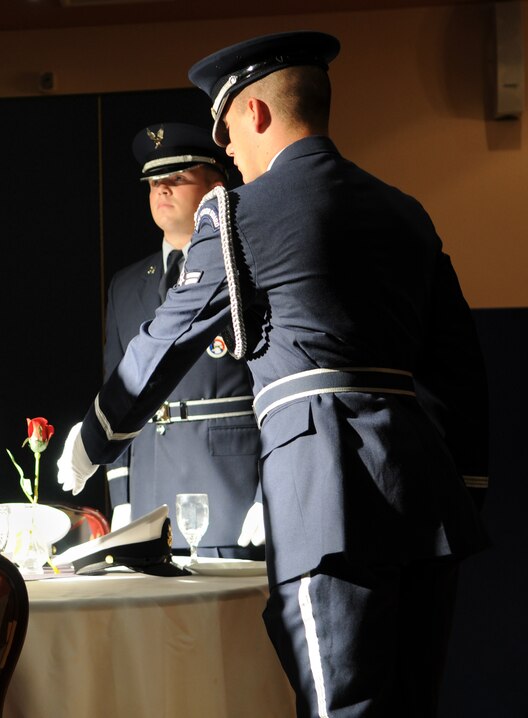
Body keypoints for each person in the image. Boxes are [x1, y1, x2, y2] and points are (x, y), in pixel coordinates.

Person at [57, 31, 488, 717]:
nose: (227, 150)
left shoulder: (236, 213)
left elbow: (167, 340)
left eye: (226, 129)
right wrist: (465, 487)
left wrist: (95, 435)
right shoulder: (407, 213)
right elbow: (458, 371)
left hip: (324, 496)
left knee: (339, 707)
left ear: (255, 114)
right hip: (427, 500)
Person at [96, 123, 263, 559]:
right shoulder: (127, 285)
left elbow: (270, 388)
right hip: (152, 493)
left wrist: (270, 493)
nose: (161, 191)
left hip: (230, 489)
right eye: (153, 183)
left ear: (215, 185)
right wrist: (122, 495)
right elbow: (117, 387)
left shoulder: (251, 271)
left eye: (177, 179)